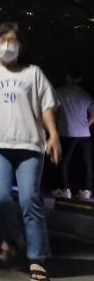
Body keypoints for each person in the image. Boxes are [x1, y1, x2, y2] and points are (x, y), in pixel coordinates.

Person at [0, 21, 61, 281]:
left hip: (30, 145)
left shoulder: (33, 73)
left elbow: (46, 105)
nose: (7, 46)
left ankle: (37, 256)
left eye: (12, 41)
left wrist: (53, 134)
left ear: (20, 45)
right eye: (2, 41)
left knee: (29, 198)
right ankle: (11, 237)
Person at [53, 69, 94, 200]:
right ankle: (86, 191)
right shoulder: (86, 95)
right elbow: (93, 116)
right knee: (86, 162)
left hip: (67, 131)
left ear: (67, 77)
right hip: (84, 134)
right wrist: (85, 126)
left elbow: (53, 112)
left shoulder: (59, 92)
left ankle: (65, 190)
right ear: (80, 79)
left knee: (64, 161)